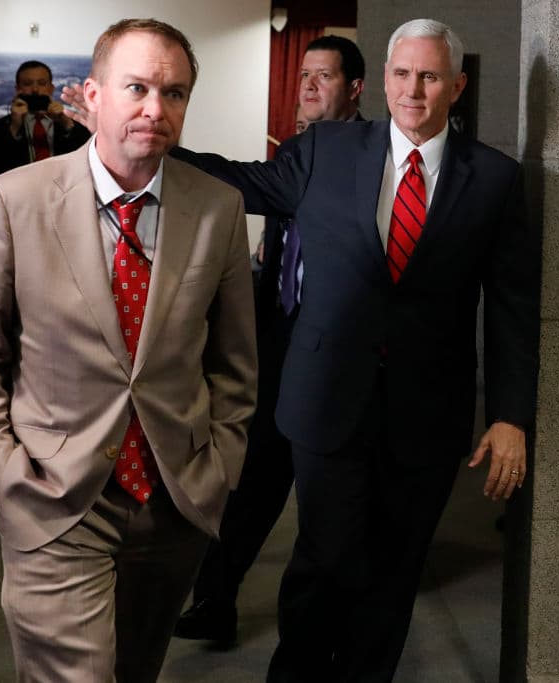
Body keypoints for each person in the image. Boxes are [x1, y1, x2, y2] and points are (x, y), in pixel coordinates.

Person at [169, 18, 540, 681]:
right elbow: (241, 183)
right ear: (386, 80)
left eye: (429, 77)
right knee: (324, 559)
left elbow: (512, 309)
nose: (413, 91)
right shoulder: (330, 150)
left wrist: (509, 416)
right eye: (402, 74)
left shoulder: (495, 180)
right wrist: (148, 146)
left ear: (456, 85)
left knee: (394, 573)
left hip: (427, 417)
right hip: (325, 402)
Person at [0, 18, 257, 682]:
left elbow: (234, 361)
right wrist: (0, 472)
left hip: (174, 500)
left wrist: (219, 460)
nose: (155, 108)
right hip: (52, 493)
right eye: (136, 87)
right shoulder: (14, 200)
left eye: (174, 93)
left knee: (136, 671)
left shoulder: (219, 208)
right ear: (91, 95)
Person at [173, 34, 367, 646]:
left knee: (324, 496)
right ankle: (214, 602)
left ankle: (321, 629)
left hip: (337, 355)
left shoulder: (368, 154)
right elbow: (253, 194)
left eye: (324, 77)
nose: (307, 86)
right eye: (303, 74)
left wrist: (160, 149)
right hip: (279, 342)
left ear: (356, 88)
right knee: (251, 480)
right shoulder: (299, 150)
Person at [0, 60, 91, 179]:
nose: (35, 89)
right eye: (27, 84)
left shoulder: (65, 123)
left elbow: (86, 165)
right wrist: (14, 127)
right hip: (20, 194)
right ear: (18, 89)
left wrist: (65, 121)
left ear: (51, 88)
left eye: (42, 83)